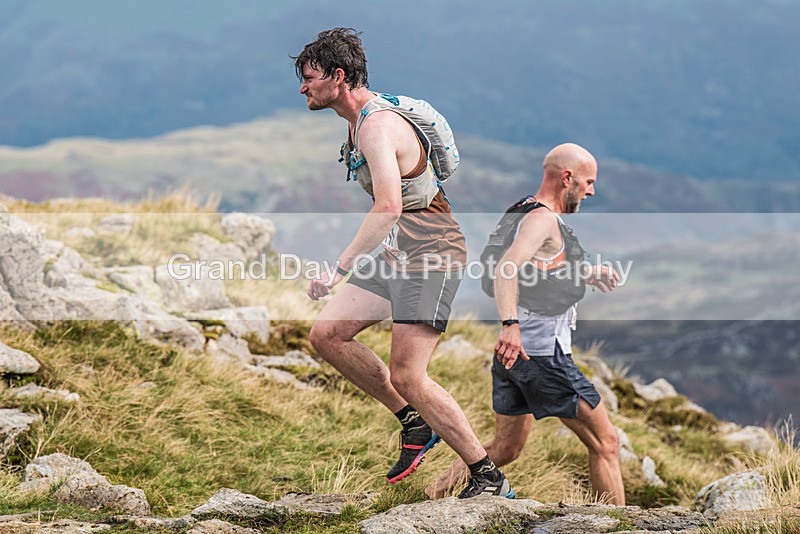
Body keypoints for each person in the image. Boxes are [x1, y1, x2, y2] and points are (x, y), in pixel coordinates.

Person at [294, 28, 514, 499]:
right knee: (327, 335)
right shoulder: (356, 122)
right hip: (400, 252)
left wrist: (338, 270)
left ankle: (487, 476)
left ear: (338, 76)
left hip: (432, 253)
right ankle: (414, 423)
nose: (302, 89)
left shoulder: (376, 125)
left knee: (409, 374)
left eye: (309, 78)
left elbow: (389, 206)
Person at [426, 143, 626, 504]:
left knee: (506, 446)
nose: (591, 190)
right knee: (606, 443)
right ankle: (616, 526)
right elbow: (507, 268)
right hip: (542, 355)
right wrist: (510, 325)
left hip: (514, 357)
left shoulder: (522, 210)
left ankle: (430, 494)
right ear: (567, 178)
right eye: (588, 182)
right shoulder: (543, 218)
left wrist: (585, 273)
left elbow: (537, 270)